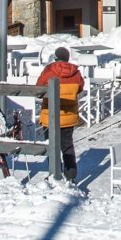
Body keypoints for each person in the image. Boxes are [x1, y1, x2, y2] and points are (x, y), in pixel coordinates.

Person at [34, 47, 85, 183]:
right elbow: (80, 88)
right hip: (69, 114)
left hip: (50, 114)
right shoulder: (76, 73)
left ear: (56, 57)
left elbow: (39, 88)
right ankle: (71, 176)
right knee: (67, 145)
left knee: (52, 145)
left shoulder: (49, 71)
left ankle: (54, 173)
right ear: (68, 58)